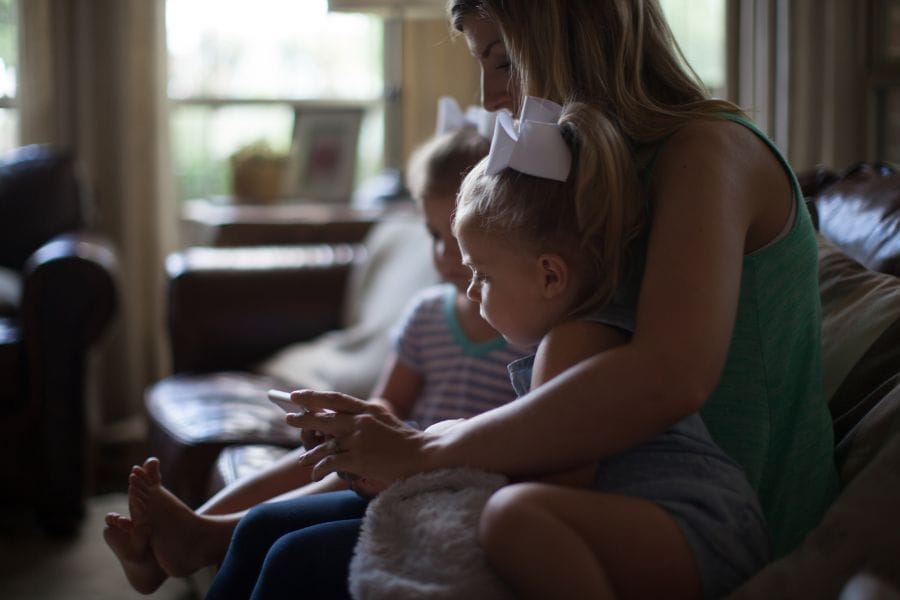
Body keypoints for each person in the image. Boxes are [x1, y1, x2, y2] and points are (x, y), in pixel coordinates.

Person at [281, 1, 839, 597]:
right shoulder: (593, 174)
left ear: (574, 35)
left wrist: (427, 449)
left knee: (305, 565)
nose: (491, 98)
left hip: (718, 525)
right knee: (281, 539)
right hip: (593, 501)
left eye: (502, 62)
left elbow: (669, 375)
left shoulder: (707, 151)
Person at [347, 96, 769, 599]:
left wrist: (446, 441)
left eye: (483, 274)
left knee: (513, 515)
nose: (473, 289)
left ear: (549, 275)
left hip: (695, 524)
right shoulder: (570, 337)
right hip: (687, 522)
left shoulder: (574, 340)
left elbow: (561, 476)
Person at [103, 117, 528, 596]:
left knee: (353, 467)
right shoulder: (427, 314)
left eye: (459, 239)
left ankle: (200, 538)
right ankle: (186, 531)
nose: (446, 258)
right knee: (337, 452)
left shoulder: (525, 332)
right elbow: (391, 402)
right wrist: (352, 423)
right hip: (401, 453)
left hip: (449, 473)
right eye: (433, 237)